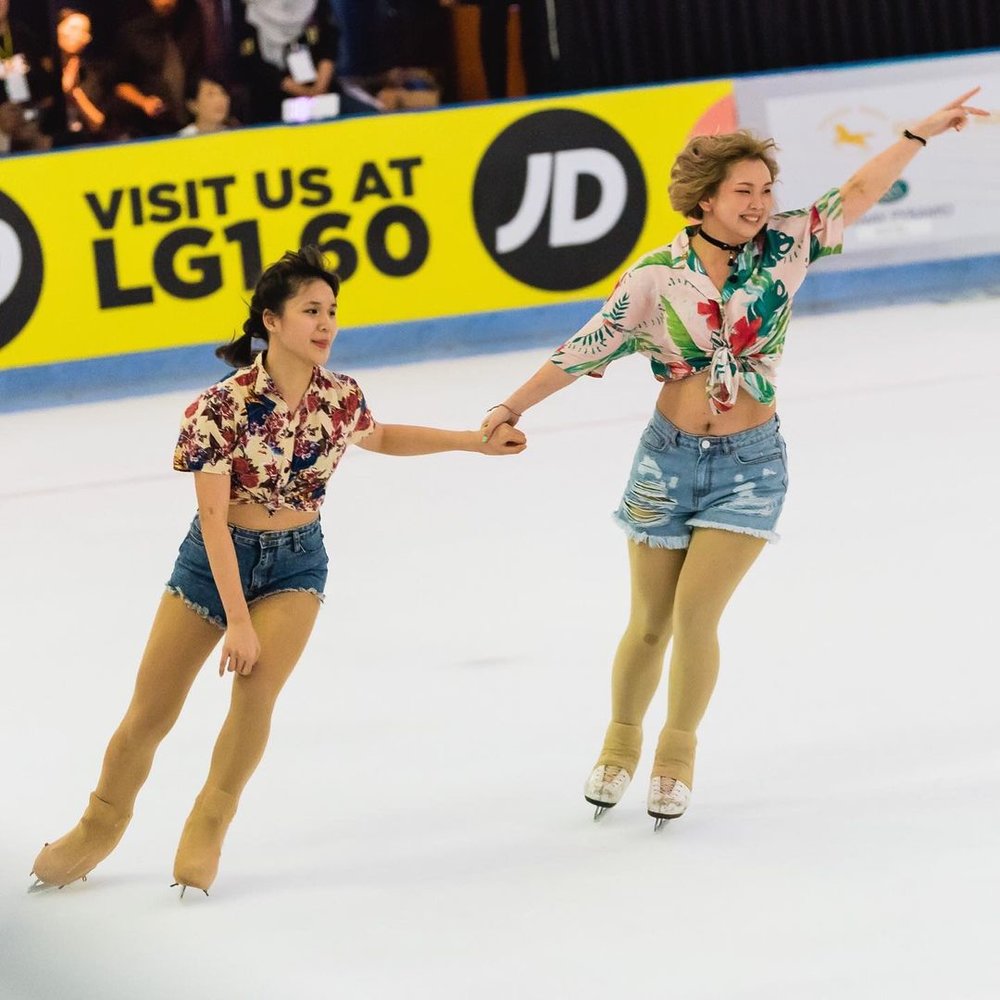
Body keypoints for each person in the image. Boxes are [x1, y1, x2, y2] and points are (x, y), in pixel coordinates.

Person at [479, 89, 988, 829]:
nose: (759, 202)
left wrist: (917, 132)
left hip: (751, 466)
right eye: (743, 191)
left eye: (766, 189)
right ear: (705, 200)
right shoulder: (655, 276)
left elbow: (858, 191)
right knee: (648, 621)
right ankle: (619, 745)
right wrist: (510, 407)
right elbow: (586, 346)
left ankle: (675, 757)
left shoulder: (788, 244)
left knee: (694, 615)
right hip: (665, 461)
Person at [31, 245, 526, 896]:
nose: (326, 324)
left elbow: (381, 436)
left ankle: (209, 822)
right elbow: (212, 519)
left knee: (255, 698)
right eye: (310, 311)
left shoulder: (340, 399)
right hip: (214, 563)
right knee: (150, 713)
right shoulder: (220, 406)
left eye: (332, 311)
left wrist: (471, 440)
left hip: (297, 562)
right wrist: (236, 620)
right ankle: (99, 824)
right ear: (271, 321)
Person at [112, 0, 206, 136]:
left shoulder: (192, 28)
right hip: (149, 130)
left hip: (191, 126)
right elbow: (119, 84)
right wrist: (143, 102)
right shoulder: (133, 34)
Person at [55, 8, 109, 144]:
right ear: (57, 29)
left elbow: (98, 123)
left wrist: (73, 94)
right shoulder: (44, 69)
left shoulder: (93, 73)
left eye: (83, 31)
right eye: (73, 28)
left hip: (86, 145)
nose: (77, 35)